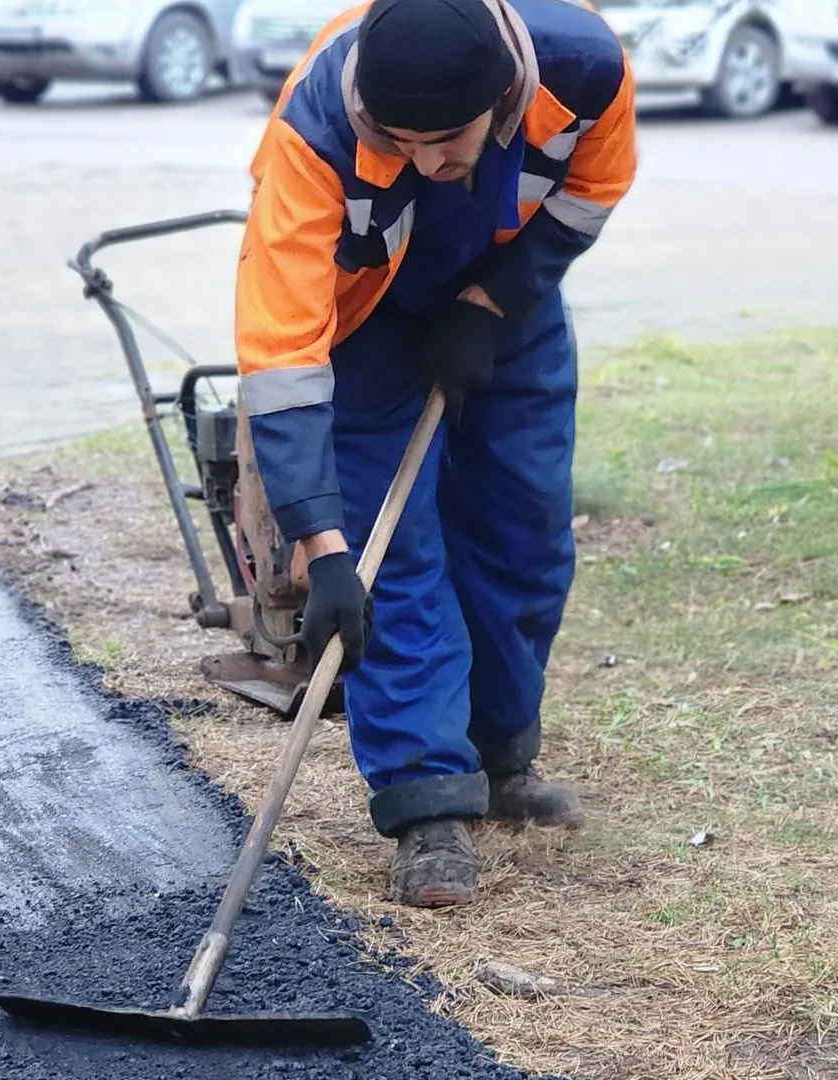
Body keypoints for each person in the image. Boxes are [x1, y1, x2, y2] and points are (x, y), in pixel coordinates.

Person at [232, 0, 636, 907]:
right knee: (390, 560)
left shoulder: (587, 66)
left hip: (506, 306)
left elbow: (592, 191)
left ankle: (498, 757)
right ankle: (427, 804)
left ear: (504, 99)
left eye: (445, 139)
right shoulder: (313, 132)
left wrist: (493, 302)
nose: (422, 162)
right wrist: (320, 543)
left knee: (523, 533)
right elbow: (281, 354)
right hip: (361, 323)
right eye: (396, 138)